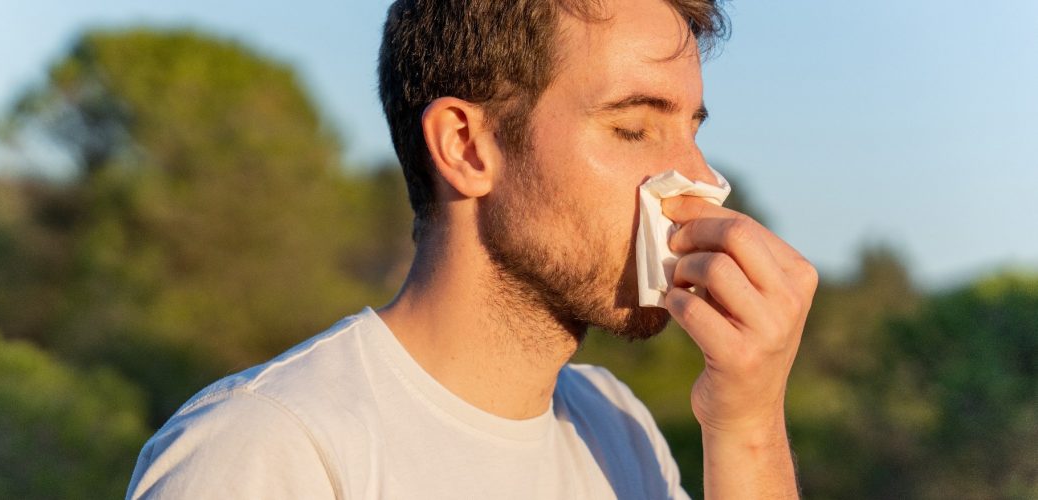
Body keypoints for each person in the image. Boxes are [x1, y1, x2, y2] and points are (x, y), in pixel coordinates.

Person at [126, 0, 818, 498]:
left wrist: (748, 426)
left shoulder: (618, 427)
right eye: (633, 128)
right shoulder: (270, 448)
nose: (697, 179)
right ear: (465, 147)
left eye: (691, 128)